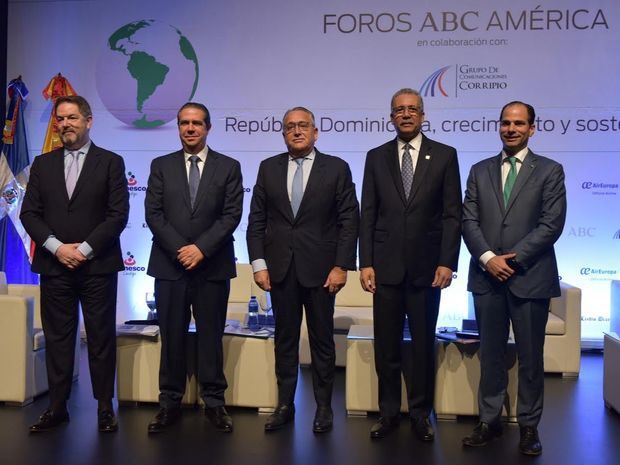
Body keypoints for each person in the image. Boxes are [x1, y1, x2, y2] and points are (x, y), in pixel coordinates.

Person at [461, 101, 566, 456]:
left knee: (531, 357)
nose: (511, 128)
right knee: (490, 354)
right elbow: (468, 221)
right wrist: (489, 258)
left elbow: (551, 224)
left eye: (519, 123)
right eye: (505, 122)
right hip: (486, 277)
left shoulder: (550, 170)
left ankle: (529, 427)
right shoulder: (479, 170)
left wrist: (513, 259)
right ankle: (489, 421)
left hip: (530, 277)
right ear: (498, 126)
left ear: (532, 128)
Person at [21, 95, 129, 433]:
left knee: (99, 339)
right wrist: (56, 248)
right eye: (60, 119)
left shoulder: (111, 162)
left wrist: (83, 250)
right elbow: (29, 214)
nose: (65, 124)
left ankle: (103, 407)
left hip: (97, 267)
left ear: (88, 120)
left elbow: (117, 215)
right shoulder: (42, 164)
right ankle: (57, 407)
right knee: (58, 339)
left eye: (72, 118)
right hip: (55, 267)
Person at [247, 106, 359, 433]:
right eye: (290, 127)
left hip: (322, 271)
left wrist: (341, 266)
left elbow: (349, 221)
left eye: (303, 126)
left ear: (315, 131)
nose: (297, 131)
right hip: (279, 270)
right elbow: (256, 221)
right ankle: (285, 405)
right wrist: (258, 264)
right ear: (283, 133)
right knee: (284, 339)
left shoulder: (336, 168)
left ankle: (324, 408)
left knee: (322, 341)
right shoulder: (268, 169)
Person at [359, 88, 462, 440]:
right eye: (399, 110)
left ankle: (420, 414)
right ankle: (388, 413)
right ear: (391, 116)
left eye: (412, 109)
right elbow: (368, 213)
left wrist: (448, 261)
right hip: (384, 269)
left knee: (421, 346)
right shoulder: (375, 157)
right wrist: (366, 261)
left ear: (423, 115)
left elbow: (452, 215)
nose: (406, 114)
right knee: (386, 347)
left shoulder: (445, 156)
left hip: (426, 269)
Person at [144, 102, 243, 434]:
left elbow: (231, 215)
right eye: (184, 123)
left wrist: (201, 248)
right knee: (171, 336)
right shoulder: (161, 165)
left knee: (211, 337)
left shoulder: (229, 167)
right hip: (170, 266)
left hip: (211, 266)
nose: (190, 128)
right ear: (178, 127)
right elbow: (153, 214)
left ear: (208, 128)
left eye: (197, 123)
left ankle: (214, 402)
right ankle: (169, 402)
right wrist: (181, 250)